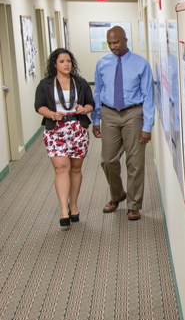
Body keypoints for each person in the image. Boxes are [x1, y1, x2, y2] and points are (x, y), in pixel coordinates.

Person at [92, 26, 155, 221]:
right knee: (108, 160)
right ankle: (117, 195)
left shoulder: (141, 64)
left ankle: (134, 205)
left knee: (134, 162)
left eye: (116, 43)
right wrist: (96, 118)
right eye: (109, 43)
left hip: (133, 114)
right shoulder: (102, 63)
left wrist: (147, 126)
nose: (113, 47)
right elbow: (97, 91)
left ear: (125, 40)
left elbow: (148, 96)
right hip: (109, 113)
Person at [34, 48, 95, 228]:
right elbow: (39, 106)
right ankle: (63, 210)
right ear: (54, 64)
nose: (66, 64)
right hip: (56, 130)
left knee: (75, 168)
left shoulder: (81, 83)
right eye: (62, 61)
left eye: (68, 61)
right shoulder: (45, 84)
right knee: (61, 167)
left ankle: (73, 206)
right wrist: (52, 114)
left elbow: (91, 103)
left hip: (77, 129)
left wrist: (85, 109)